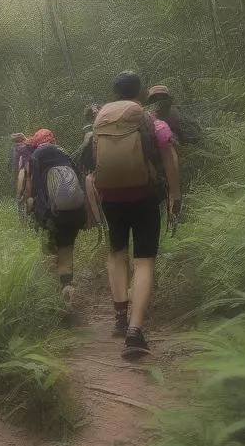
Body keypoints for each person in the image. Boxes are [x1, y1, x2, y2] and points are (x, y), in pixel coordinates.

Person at [91, 71, 181, 358]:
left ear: (115, 92)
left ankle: (120, 315)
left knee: (116, 254)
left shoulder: (101, 120)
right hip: (144, 196)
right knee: (143, 262)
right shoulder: (148, 119)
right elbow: (169, 154)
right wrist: (174, 195)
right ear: (140, 92)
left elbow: (93, 164)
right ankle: (134, 332)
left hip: (111, 199)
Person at [24, 129, 87, 306]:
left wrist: (37, 215)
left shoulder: (36, 156)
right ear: (53, 140)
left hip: (52, 214)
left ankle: (54, 294)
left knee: (50, 249)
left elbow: (35, 190)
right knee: (66, 250)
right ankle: (67, 287)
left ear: (36, 143)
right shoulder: (64, 152)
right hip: (74, 211)